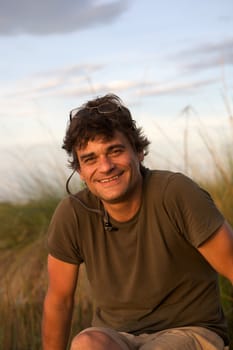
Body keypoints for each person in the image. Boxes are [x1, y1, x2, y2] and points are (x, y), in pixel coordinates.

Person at [42, 93, 233, 350]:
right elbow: (59, 301)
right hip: (118, 337)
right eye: (90, 159)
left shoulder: (176, 193)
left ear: (139, 151)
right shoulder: (73, 213)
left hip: (191, 332)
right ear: (80, 170)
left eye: (115, 151)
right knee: (86, 343)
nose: (106, 166)